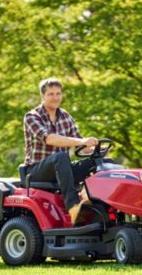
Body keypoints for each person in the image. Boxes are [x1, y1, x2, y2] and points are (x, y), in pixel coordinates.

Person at [23, 77, 98, 224]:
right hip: (36, 171)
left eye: (58, 93)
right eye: (51, 94)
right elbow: (50, 139)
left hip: (62, 169)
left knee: (101, 162)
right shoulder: (32, 117)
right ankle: (73, 206)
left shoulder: (66, 116)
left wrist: (94, 150)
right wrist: (82, 141)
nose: (55, 97)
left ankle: (93, 200)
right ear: (42, 96)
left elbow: (80, 148)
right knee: (61, 157)